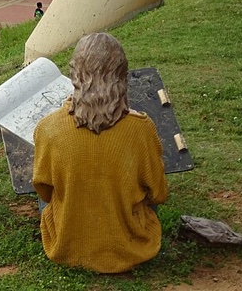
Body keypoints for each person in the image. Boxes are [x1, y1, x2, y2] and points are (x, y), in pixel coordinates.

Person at [32, 33, 168, 273]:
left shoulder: (48, 128)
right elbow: (158, 193)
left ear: (74, 75)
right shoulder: (141, 128)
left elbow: (44, 192)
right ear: (122, 76)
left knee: (50, 190)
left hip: (66, 248)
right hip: (131, 248)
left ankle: (76, 241)